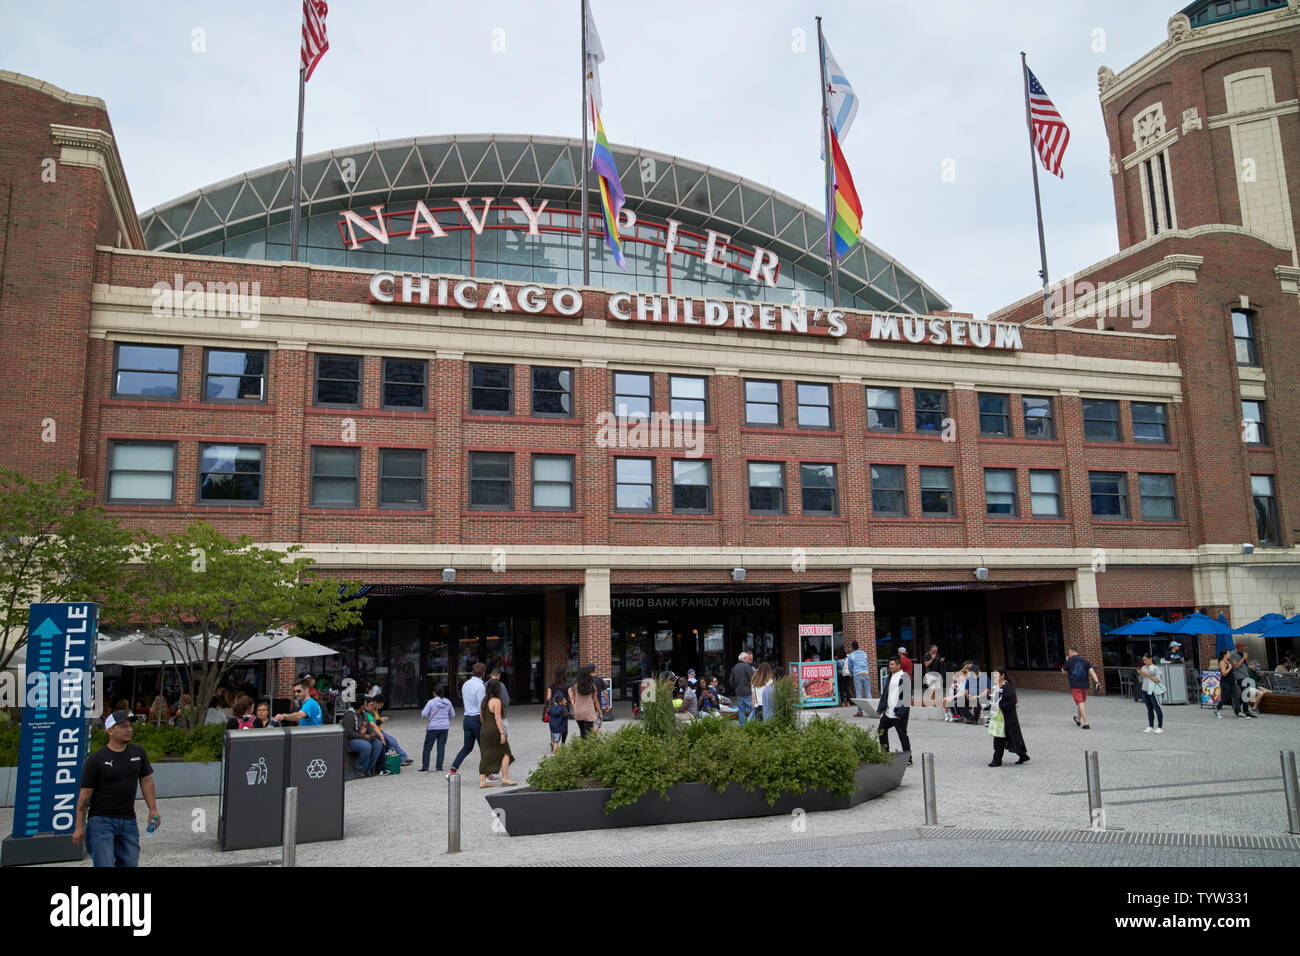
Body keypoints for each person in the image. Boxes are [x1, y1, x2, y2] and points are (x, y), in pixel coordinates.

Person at [72, 710, 159, 867]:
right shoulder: (96, 759)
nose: (129, 729)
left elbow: (146, 781)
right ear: (110, 730)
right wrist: (79, 826)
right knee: (104, 863)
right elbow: (85, 796)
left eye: (130, 726)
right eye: (123, 726)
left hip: (128, 820)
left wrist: (153, 810)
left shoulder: (138, 753)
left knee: (130, 862)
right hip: (101, 821)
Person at [448, 662, 487, 775]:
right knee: (484, 747)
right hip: (477, 719)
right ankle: (487, 774)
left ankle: (453, 769)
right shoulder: (480, 686)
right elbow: (482, 706)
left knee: (467, 747)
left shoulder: (466, 684)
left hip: (467, 718)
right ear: (483, 673)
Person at [479, 678, 517, 788]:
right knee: (506, 752)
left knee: (486, 754)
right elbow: (498, 718)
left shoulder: (484, 700)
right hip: (494, 730)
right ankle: (505, 778)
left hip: (484, 729)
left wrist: (485, 725)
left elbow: (481, 716)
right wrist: (502, 733)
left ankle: (482, 780)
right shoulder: (497, 701)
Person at [987, 669, 1029, 766]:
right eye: (993, 674)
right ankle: (997, 760)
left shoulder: (1008, 687)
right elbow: (993, 698)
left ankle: (1021, 755)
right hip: (997, 716)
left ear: (1003, 675)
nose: (994, 676)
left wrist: (1001, 707)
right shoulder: (995, 686)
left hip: (1007, 717)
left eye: (996, 674)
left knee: (1011, 737)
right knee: (999, 737)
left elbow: (1012, 701)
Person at [877, 657, 912, 765]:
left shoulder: (904, 677)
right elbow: (884, 695)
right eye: (889, 664)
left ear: (898, 665)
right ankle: (885, 754)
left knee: (902, 735)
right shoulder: (889, 677)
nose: (890, 666)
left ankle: (908, 759)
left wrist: (901, 713)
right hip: (888, 712)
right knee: (881, 731)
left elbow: (906, 697)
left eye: (892, 664)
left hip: (899, 713)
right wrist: (880, 708)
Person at [364, 697, 413, 767]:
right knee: (390, 741)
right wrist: (381, 721)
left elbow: (374, 723)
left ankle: (401, 757)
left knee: (392, 740)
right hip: (376, 732)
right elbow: (373, 725)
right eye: (371, 705)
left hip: (379, 731)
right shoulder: (367, 713)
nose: (374, 707)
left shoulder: (372, 712)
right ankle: (400, 758)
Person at [341, 698, 385, 776]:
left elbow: (368, 726)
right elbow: (349, 733)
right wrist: (364, 737)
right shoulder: (349, 715)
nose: (366, 704)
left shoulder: (363, 713)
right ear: (361, 706)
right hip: (351, 740)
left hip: (363, 737)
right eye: (365, 703)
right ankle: (361, 769)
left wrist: (372, 734)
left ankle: (368, 768)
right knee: (366, 746)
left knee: (378, 744)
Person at [418, 684, 455, 773]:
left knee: (427, 748)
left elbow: (423, 714)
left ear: (434, 693)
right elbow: (453, 715)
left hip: (433, 728)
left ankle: (425, 768)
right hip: (444, 728)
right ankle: (439, 767)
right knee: (441, 748)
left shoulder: (431, 702)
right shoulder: (448, 702)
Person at [1061, 648, 1100, 729]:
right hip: (1084, 685)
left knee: (1080, 702)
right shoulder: (1085, 661)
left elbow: (1063, 671)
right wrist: (1097, 682)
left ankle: (1086, 723)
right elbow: (1092, 671)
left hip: (1075, 685)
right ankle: (1078, 719)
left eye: (1069, 653)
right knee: (1080, 702)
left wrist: (1066, 661)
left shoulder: (1069, 661)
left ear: (1071, 652)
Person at [571, 667, 602, 738]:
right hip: (588, 712)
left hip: (578, 711)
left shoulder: (576, 685)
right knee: (587, 733)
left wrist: (574, 706)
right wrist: (600, 712)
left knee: (582, 731)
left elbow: (573, 698)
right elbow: (596, 701)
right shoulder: (592, 685)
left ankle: (581, 746)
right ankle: (586, 747)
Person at [1138, 653, 1165, 733]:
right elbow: (1140, 680)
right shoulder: (1143, 667)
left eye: (1146, 660)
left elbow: (1157, 680)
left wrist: (1146, 674)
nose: (1144, 662)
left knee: (1156, 708)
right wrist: (1141, 675)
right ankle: (1150, 726)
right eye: (1143, 660)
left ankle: (1160, 727)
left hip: (1152, 691)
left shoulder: (1155, 668)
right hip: (1144, 690)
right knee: (1149, 709)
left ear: (1150, 659)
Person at [846, 641, 872, 717]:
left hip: (857, 674)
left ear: (852, 647)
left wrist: (852, 673)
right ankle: (872, 710)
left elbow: (850, 667)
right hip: (866, 674)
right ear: (858, 646)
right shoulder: (864, 653)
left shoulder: (851, 655)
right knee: (868, 693)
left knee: (859, 694)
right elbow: (866, 662)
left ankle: (859, 711)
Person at [729, 651, 755, 726]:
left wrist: (736, 688)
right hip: (747, 692)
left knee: (741, 710)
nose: (749, 658)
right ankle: (751, 723)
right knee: (754, 709)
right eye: (747, 657)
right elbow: (752, 679)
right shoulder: (747, 666)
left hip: (739, 692)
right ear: (744, 659)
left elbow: (731, 681)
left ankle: (742, 726)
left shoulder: (734, 667)